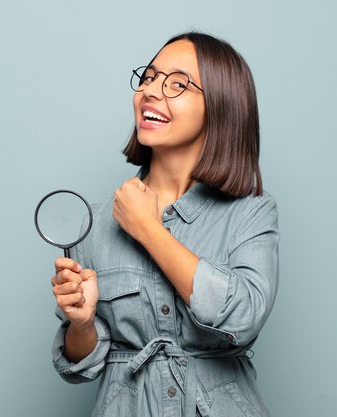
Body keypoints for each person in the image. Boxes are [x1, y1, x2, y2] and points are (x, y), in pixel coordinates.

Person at [50, 32, 279, 417]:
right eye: (149, 77)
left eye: (177, 84)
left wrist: (149, 230)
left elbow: (245, 316)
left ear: (221, 107)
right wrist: (82, 324)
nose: (152, 91)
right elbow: (80, 367)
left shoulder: (251, 211)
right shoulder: (94, 223)